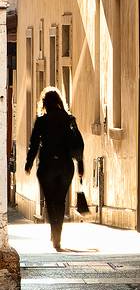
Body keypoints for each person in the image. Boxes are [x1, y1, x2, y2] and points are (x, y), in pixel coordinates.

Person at [25, 86, 84, 251]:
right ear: (59, 102)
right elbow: (78, 143)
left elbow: (34, 144)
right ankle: (58, 234)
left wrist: (29, 164)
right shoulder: (69, 120)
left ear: (44, 103)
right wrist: (81, 165)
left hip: (47, 165)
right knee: (60, 200)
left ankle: (54, 233)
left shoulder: (42, 121)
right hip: (65, 166)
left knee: (50, 201)